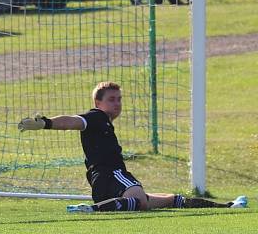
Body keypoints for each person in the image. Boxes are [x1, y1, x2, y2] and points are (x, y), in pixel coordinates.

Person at [18, 81, 248, 213]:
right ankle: (93, 209)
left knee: (170, 199)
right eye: (111, 99)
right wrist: (46, 123)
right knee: (141, 201)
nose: (117, 104)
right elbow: (72, 121)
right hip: (113, 174)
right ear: (98, 102)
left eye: (119, 99)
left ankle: (228, 206)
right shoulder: (96, 117)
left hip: (101, 181)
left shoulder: (103, 122)